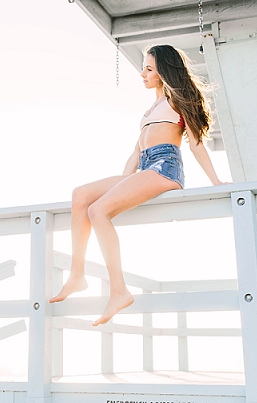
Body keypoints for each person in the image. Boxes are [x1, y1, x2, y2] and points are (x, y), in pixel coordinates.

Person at [49, 44, 228, 326]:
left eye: (149, 69)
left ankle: (118, 291)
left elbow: (195, 143)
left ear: (164, 72)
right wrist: (122, 185)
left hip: (165, 168)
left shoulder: (177, 101)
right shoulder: (151, 109)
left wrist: (216, 180)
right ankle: (77, 275)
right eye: (143, 68)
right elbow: (135, 153)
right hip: (144, 167)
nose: (142, 74)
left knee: (98, 211)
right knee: (81, 196)